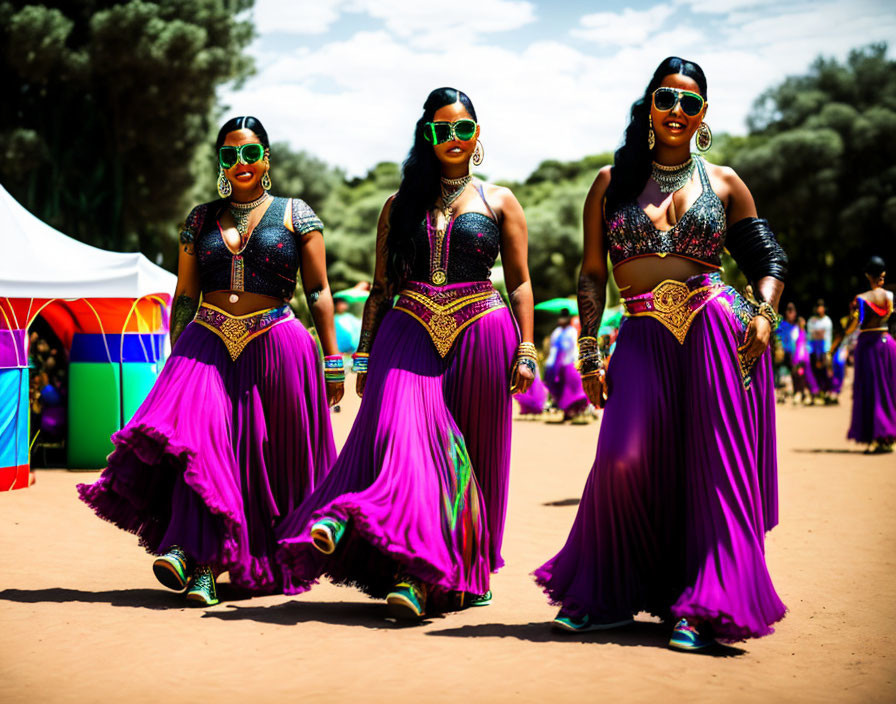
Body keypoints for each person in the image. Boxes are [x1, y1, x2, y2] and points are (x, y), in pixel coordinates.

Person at [534, 57, 787, 650]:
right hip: (643, 331)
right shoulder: (611, 180)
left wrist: (766, 313)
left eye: (690, 102)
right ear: (650, 104)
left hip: (716, 330)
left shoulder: (725, 182)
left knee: (714, 469)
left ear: (703, 115)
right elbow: (593, 273)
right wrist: (590, 351)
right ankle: (606, 596)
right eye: (667, 98)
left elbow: (766, 261)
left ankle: (701, 608)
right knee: (622, 458)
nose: (677, 110)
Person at [276, 87, 535, 619]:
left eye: (463, 129)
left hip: (483, 332)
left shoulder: (501, 201)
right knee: (405, 433)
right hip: (409, 326)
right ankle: (372, 537)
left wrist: (527, 347)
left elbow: (522, 283)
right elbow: (379, 288)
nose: (454, 139)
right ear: (428, 135)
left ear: (477, 135)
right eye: (442, 130)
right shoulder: (398, 205)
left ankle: (462, 570)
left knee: (477, 457)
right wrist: (364, 355)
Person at [78, 116, 341, 606]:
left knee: (260, 457)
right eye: (228, 155)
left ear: (266, 157)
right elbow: (184, 294)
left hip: (277, 342)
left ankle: (241, 560)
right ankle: (192, 558)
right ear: (219, 162)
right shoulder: (199, 219)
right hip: (206, 337)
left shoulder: (295, 213)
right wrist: (175, 355)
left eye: (249, 153)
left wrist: (333, 359)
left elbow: (319, 290)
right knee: (198, 440)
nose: (239, 163)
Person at [846, 256, 896, 453]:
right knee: (888, 390)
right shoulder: (890, 297)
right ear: (882, 275)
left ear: (868, 275)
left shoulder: (862, 298)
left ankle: (877, 436)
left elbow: (854, 326)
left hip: (868, 345)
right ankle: (888, 436)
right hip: (888, 344)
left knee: (872, 390)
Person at [544, 310, 590, 422]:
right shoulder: (557, 332)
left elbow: (570, 346)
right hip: (558, 365)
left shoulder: (572, 332)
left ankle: (575, 411)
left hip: (570, 363)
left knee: (572, 388)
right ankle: (566, 412)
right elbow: (553, 348)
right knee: (561, 388)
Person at [807, 299, 834, 402]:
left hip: (825, 350)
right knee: (814, 371)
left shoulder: (827, 321)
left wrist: (817, 334)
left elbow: (823, 335)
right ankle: (815, 392)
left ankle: (828, 392)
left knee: (826, 371)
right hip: (814, 350)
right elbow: (812, 335)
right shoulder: (812, 321)